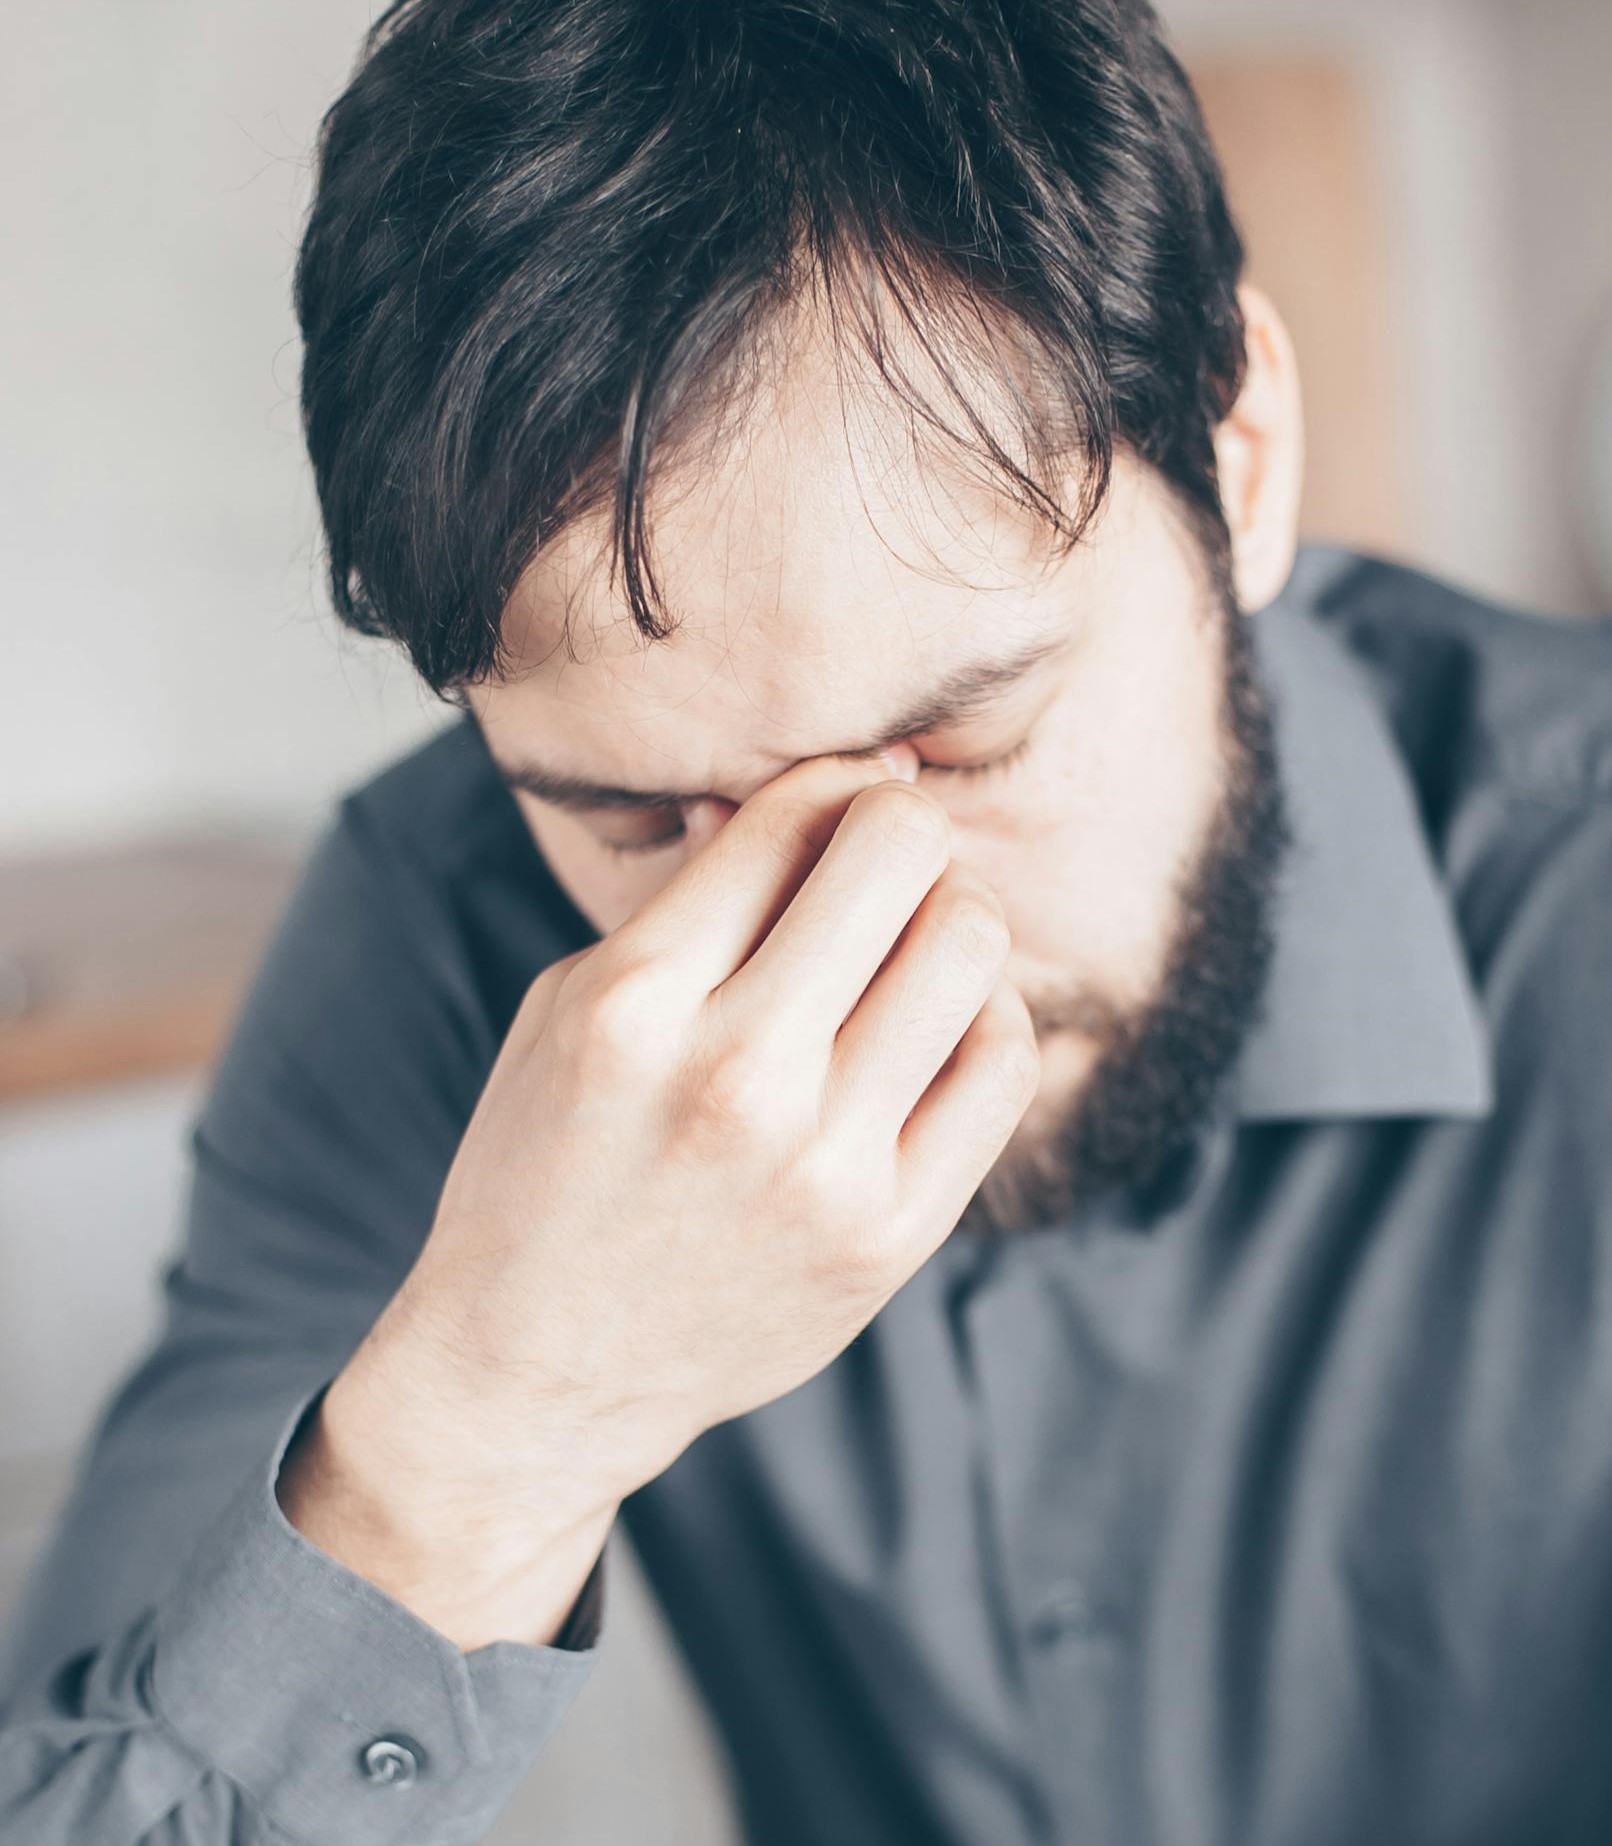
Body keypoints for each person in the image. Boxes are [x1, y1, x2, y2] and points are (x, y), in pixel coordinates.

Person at [3, 1, 1610, 1842]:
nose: (850, 957)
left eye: (965, 736)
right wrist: (505, 1414)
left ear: (1236, 460)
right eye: (638, 815)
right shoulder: (441, 927)